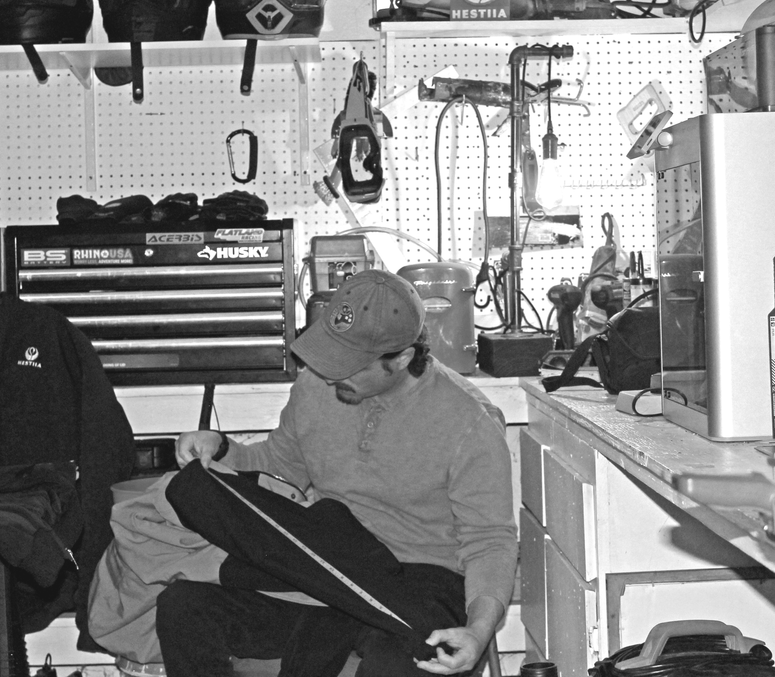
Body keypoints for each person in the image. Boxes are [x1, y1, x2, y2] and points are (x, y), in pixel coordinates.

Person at [158, 269, 518, 677]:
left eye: (346, 365)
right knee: (184, 607)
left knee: (395, 667)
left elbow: (490, 541)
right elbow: (280, 464)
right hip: (329, 565)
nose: (329, 373)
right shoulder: (316, 386)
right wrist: (222, 449)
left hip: (420, 583)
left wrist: (478, 630)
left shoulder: (469, 422)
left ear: (400, 358)